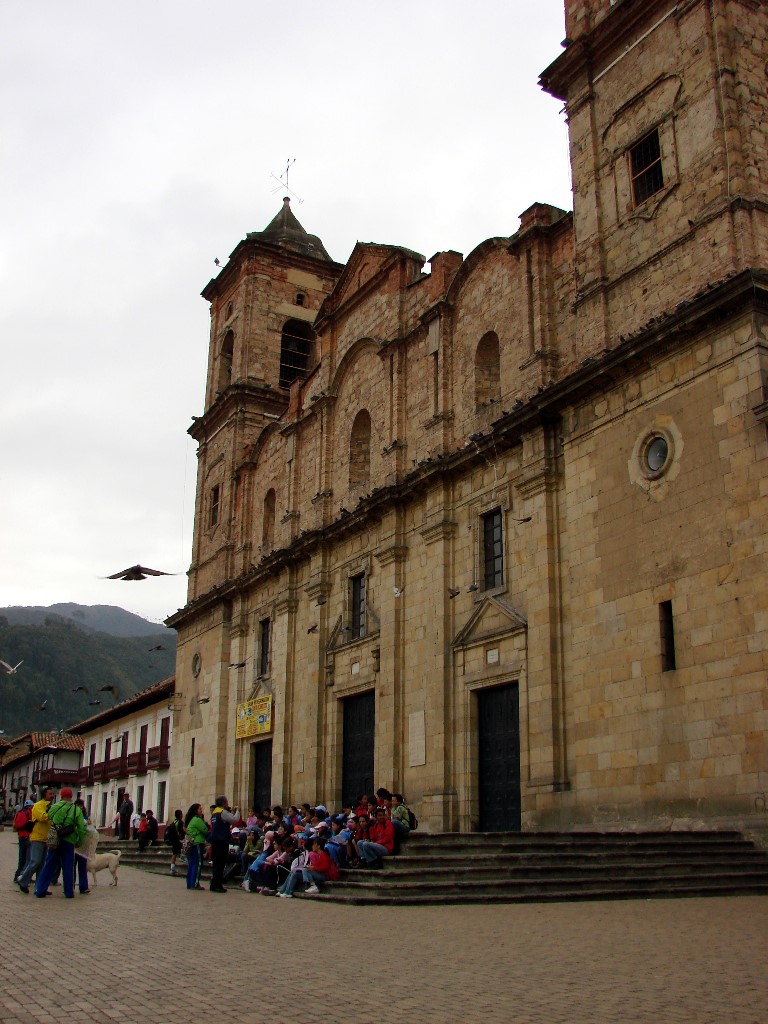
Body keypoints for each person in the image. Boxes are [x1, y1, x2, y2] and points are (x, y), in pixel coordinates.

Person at [34, 787, 87, 899]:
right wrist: (79, 841)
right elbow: (81, 828)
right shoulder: (76, 809)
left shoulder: (55, 806)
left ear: (61, 796)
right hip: (69, 840)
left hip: (55, 839)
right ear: (71, 796)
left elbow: (48, 816)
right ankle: (69, 892)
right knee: (68, 866)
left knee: (49, 865)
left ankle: (41, 890)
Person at [16, 788, 55, 893]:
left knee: (42, 865)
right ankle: (22, 880)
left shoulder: (51, 806)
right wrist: (53, 813)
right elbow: (42, 817)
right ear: (44, 794)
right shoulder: (38, 805)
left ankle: (39, 887)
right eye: (50, 793)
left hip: (46, 838)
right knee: (35, 861)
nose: (52, 795)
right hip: (37, 837)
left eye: (53, 794)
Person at [209, 795, 239, 893]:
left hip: (215, 840)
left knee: (216, 864)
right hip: (222, 841)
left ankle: (214, 884)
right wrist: (238, 811)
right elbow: (234, 820)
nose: (227, 804)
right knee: (220, 863)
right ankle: (218, 885)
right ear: (223, 803)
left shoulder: (214, 812)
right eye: (226, 802)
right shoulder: (222, 812)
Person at [183, 803, 208, 890]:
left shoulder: (191, 820)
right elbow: (205, 830)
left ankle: (190, 883)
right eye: (200, 809)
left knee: (191, 863)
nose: (201, 811)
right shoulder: (197, 820)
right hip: (197, 843)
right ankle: (195, 883)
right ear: (196, 811)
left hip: (193, 843)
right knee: (197, 864)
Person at [12, 800, 34, 883]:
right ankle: (24, 877)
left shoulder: (19, 813)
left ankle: (17, 876)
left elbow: (15, 825)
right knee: (29, 858)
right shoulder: (29, 812)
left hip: (20, 836)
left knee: (21, 858)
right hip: (28, 836)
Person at [165, 809, 185, 875]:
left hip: (173, 840)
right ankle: (182, 857)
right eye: (181, 814)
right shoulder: (180, 822)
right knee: (184, 847)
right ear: (180, 815)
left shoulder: (173, 822)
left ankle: (172, 868)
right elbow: (181, 831)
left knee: (174, 854)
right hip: (178, 839)